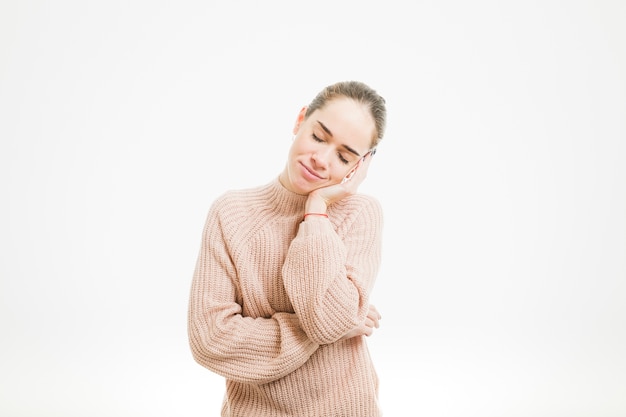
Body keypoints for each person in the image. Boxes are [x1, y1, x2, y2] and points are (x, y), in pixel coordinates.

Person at [187, 80, 387, 417]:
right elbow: (211, 340)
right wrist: (329, 327)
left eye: (343, 156)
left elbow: (331, 320)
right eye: (318, 137)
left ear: (360, 165)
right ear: (300, 120)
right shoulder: (230, 213)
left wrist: (317, 209)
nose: (321, 159)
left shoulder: (360, 213)